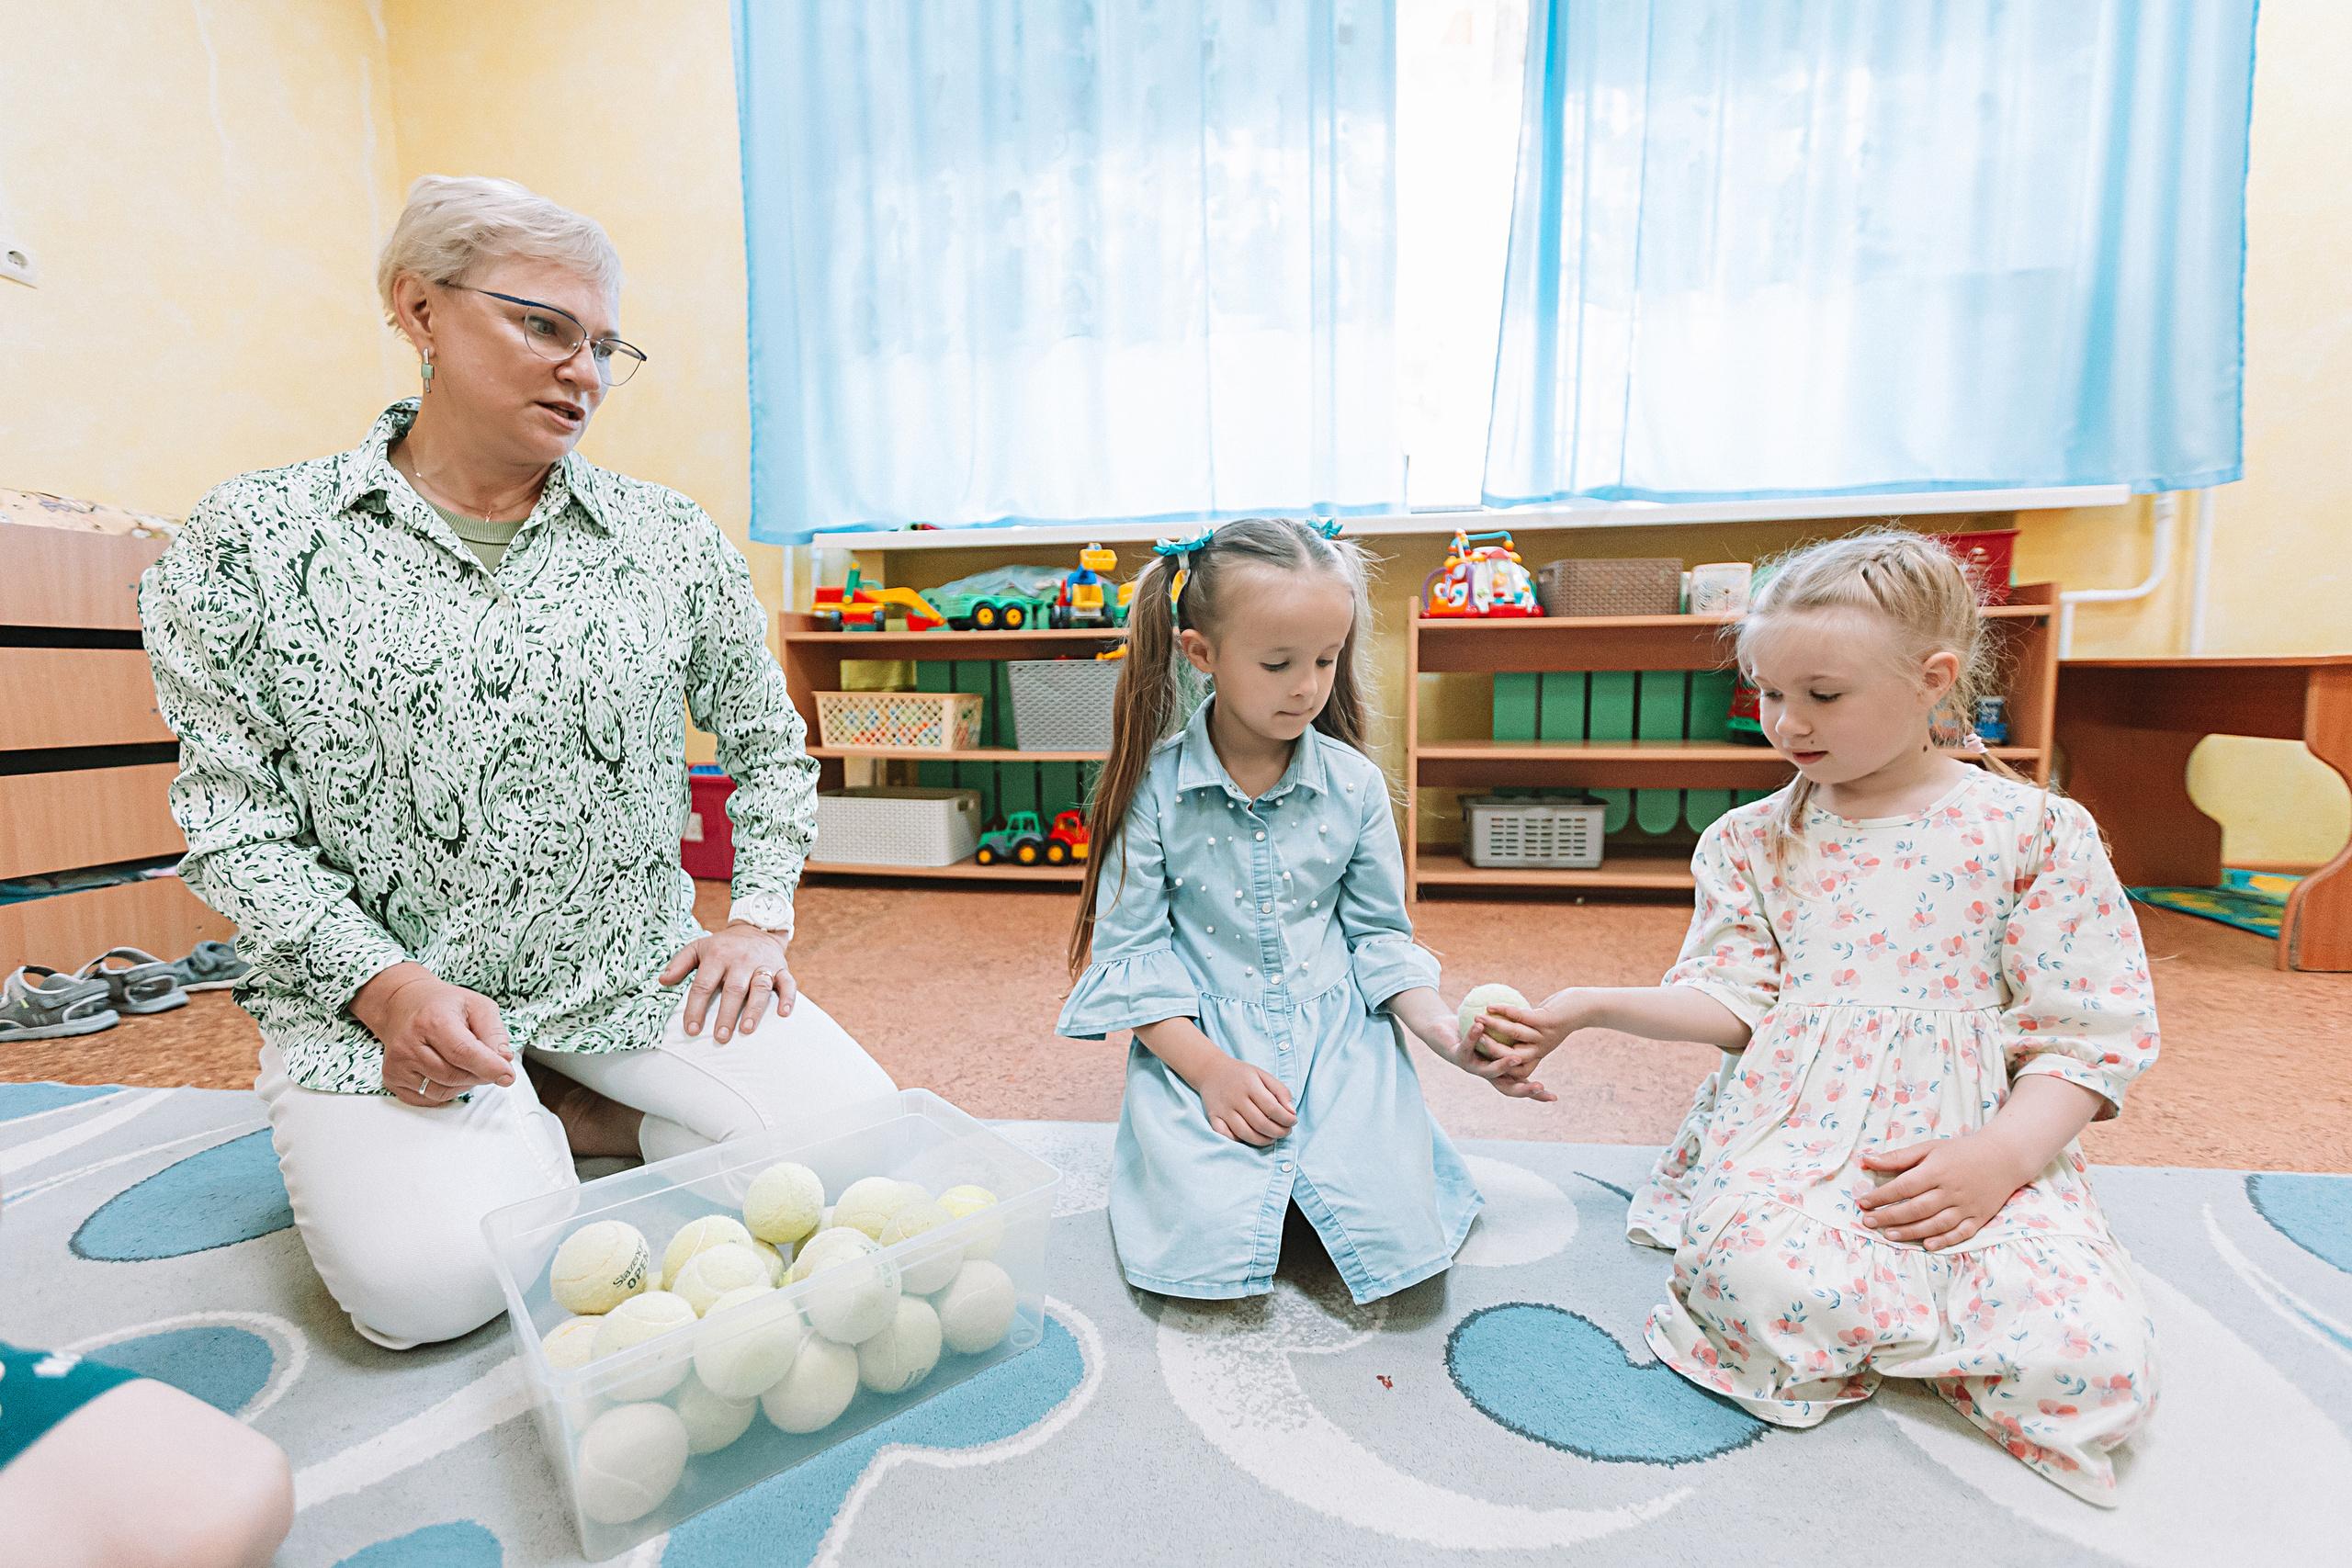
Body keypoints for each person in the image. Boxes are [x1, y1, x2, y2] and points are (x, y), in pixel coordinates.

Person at [140, 175, 895, 1350]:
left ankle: (580, 1109)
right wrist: (386, 992)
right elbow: (231, 818)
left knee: (866, 1166)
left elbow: (766, 746)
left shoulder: (665, 538)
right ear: (420, 311)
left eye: (602, 344)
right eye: (542, 326)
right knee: (433, 1292)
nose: (581, 370)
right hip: (387, 995)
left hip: (629, 968)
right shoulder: (251, 537)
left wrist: (755, 921)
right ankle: (545, 1122)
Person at [1476, 530, 2161, 1505]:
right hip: (1797, 1142)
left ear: (1933, 679)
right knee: (1750, 1275)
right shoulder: (1750, 842)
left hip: (1982, 1139)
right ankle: (1880, 1323)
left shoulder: (2034, 831)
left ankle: (1914, 1324)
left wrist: (1999, 1161)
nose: (1785, 721)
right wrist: (1586, 1007)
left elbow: (2089, 1034)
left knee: (2092, 1362)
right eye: (1766, 691)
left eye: (1822, 695)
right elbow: (1731, 1000)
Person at [1056, 517, 1549, 1304]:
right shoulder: (1153, 790)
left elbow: (1381, 938)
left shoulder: (1352, 786)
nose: (1308, 686)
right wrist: (1211, 1072)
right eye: (1279, 662)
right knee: (1201, 1227)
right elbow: (1134, 961)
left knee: (1387, 1212)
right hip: (1200, 1039)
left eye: (1326, 659)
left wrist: (1452, 1039)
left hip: (1341, 1039)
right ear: (1201, 654)